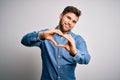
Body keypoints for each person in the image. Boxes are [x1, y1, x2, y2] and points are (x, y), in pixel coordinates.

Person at [21, 6, 91, 80]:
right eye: (68, 18)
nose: (70, 22)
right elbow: (24, 41)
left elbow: (86, 59)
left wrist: (74, 52)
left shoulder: (77, 39)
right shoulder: (46, 34)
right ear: (61, 16)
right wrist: (41, 35)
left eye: (74, 21)